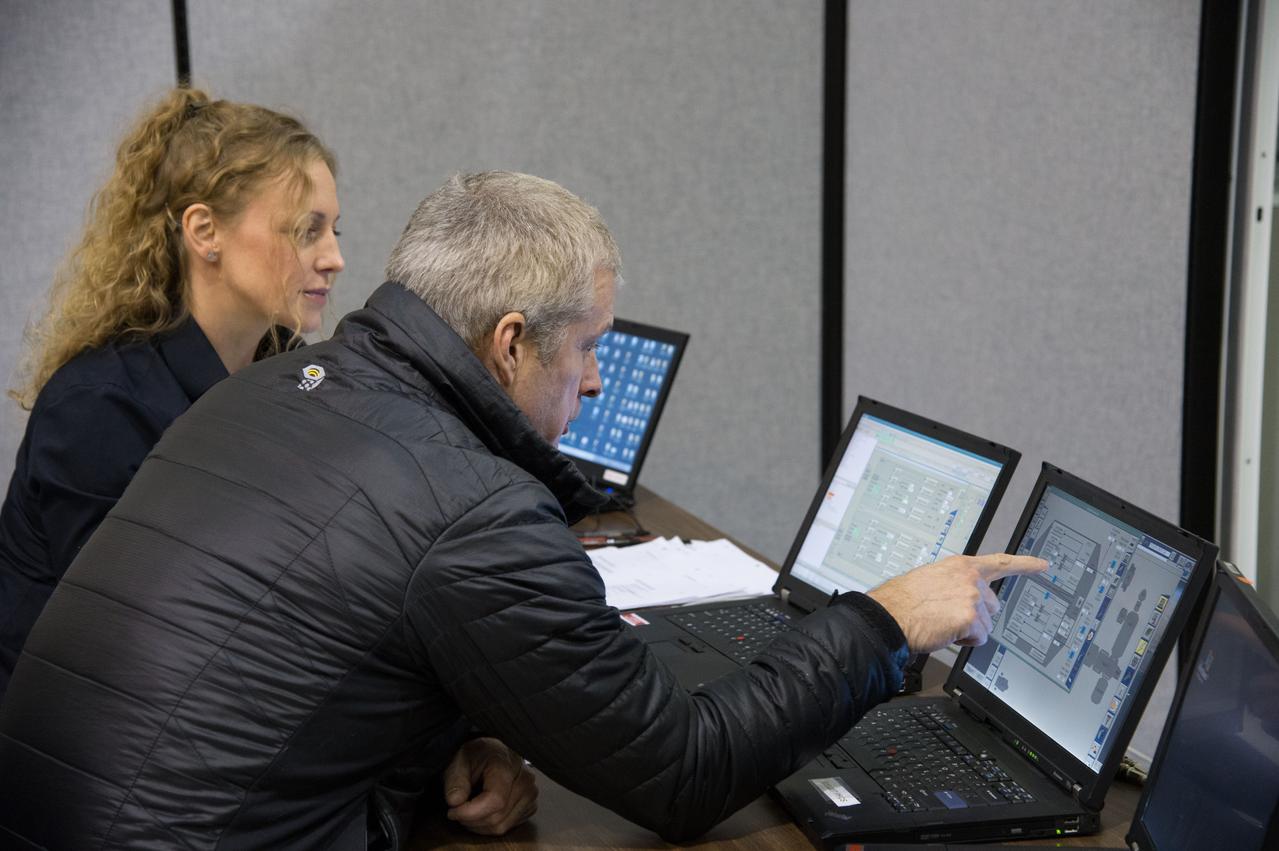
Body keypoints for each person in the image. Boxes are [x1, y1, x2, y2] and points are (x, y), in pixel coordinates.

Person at [0, 171, 1045, 849]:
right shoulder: (473, 510)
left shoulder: (273, 388)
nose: (594, 381)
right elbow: (680, 770)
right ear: (507, 343)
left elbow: (301, 646)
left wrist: (432, 744)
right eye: (586, 345)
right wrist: (883, 619)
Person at [0, 86, 345, 699]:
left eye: (334, 230)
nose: (334, 258)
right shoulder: (98, 405)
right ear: (204, 231)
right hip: (84, 749)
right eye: (305, 230)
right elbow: (147, 640)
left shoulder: (291, 378)